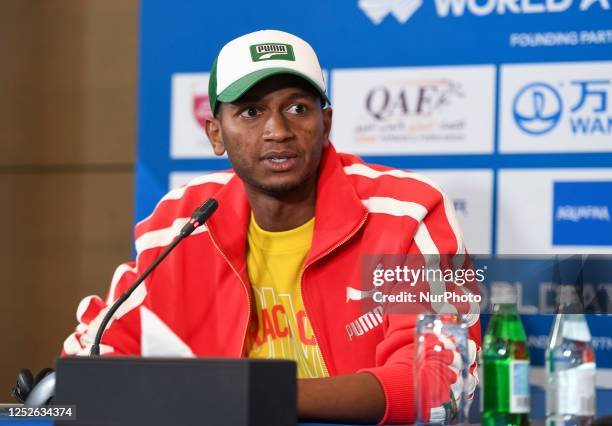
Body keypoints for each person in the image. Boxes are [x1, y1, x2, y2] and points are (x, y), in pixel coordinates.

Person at [63, 30, 481, 425]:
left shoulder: (406, 213)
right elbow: (93, 352)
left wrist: (251, 395)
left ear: (326, 123)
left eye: (297, 108)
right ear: (216, 134)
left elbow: (437, 381)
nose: (278, 131)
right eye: (250, 111)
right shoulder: (181, 223)